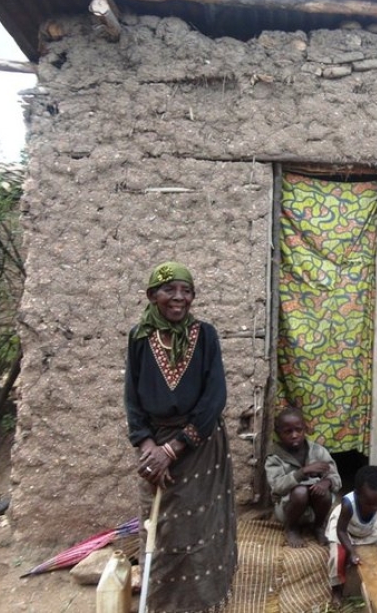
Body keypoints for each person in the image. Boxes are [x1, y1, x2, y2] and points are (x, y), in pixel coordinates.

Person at [124, 261, 237, 612]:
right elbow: (132, 397)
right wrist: (147, 447)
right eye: (169, 290)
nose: (178, 298)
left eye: (186, 291)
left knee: (200, 525)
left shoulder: (206, 335)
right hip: (153, 444)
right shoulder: (139, 337)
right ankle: (161, 603)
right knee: (159, 525)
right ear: (151, 296)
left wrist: (173, 449)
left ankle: (202, 602)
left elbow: (215, 397)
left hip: (198, 443)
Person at [265, 407, 341, 548]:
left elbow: (335, 477)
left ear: (304, 429)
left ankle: (318, 526)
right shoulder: (274, 457)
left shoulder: (317, 451)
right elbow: (277, 486)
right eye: (288, 432)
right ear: (278, 433)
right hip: (288, 509)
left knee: (323, 492)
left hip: (313, 511)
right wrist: (303, 472)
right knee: (301, 492)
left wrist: (327, 482)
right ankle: (291, 528)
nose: (294, 435)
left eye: (298, 430)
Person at [326, 465, 377, 607]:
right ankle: (337, 590)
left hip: (368, 530)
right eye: (369, 503)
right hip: (345, 531)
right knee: (337, 556)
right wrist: (351, 552)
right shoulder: (348, 504)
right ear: (357, 495)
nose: (374, 508)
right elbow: (341, 531)